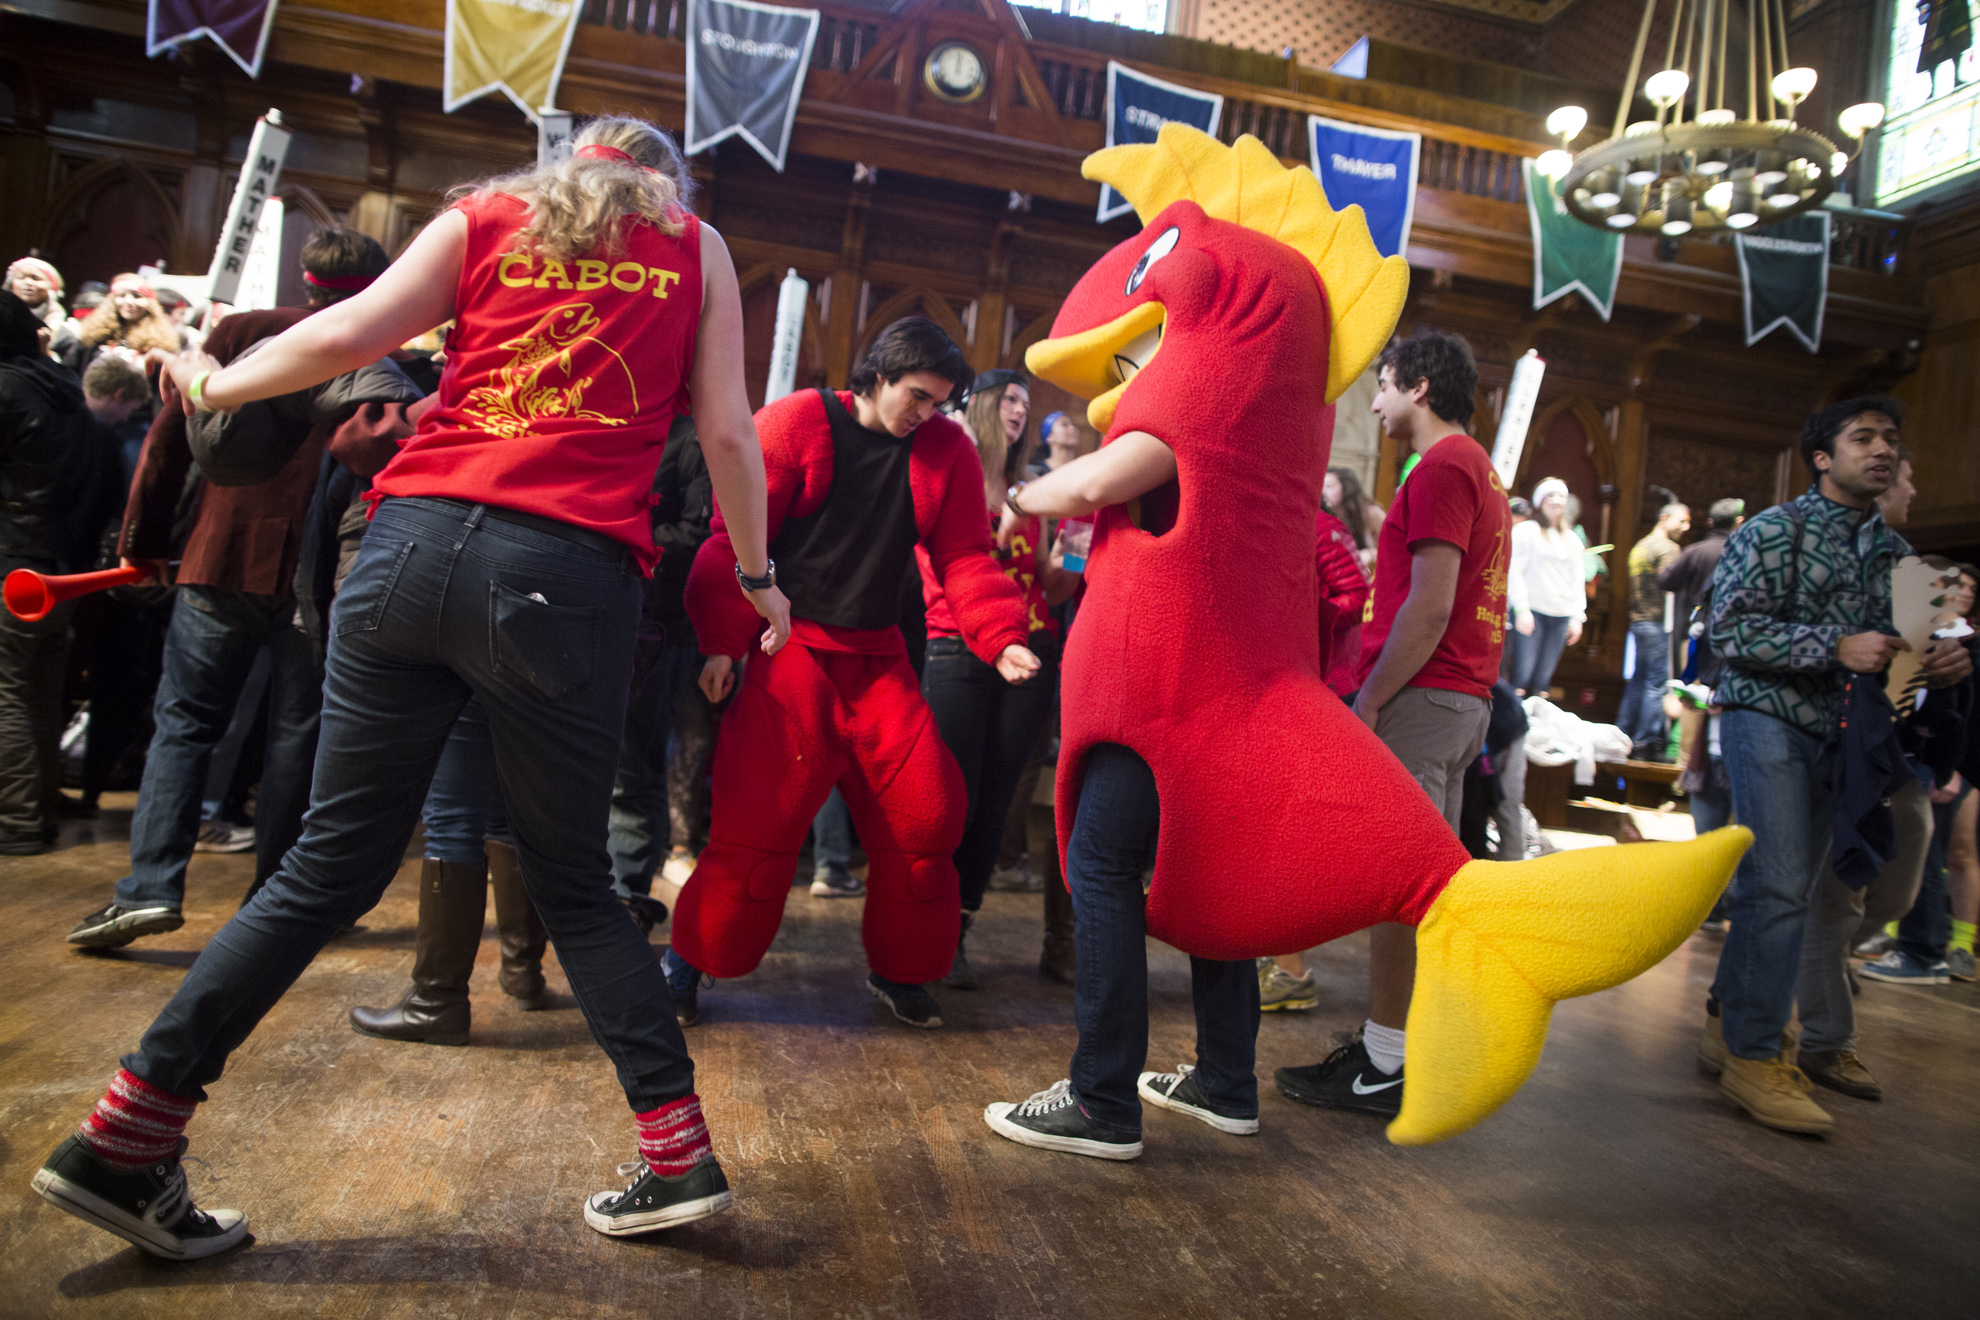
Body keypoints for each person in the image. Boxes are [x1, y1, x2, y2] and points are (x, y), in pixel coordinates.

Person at [32, 116, 788, 1256]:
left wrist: (214, 385)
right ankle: (677, 1158)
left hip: (406, 549)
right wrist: (760, 576)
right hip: (560, 576)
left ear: (567, 164)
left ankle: (125, 1136)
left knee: (321, 869)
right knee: (575, 883)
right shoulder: (694, 244)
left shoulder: (489, 214)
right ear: (660, 182)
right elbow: (729, 435)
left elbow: (342, 333)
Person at [667, 318, 1037, 1030]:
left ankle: (902, 971)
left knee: (928, 816)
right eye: (919, 397)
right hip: (790, 649)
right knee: (755, 826)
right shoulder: (801, 422)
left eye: (939, 402)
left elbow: (963, 556)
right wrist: (721, 644)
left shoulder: (944, 449)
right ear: (878, 376)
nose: (928, 413)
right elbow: (737, 535)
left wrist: (999, 637)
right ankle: (687, 962)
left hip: (878, 660)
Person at [65, 229, 406, 948]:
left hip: (222, 555)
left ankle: (150, 888)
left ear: (307, 279)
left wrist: (145, 542)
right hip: (320, 576)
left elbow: (168, 439)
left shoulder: (244, 331)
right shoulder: (381, 356)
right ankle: (273, 902)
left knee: (186, 722)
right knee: (298, 736)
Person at [1695, 396, 1971, 1136]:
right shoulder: (1771, 530)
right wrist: (1833, 645)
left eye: (1891, 438)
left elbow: (1903, 674)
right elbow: (1727, 628)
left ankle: (1726, 1021)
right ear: (1823, 457)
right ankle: (1757, 1056)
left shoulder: (1903, 562)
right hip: (1765, 718)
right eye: (1863, 437)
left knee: (1795, 887)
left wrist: (1938, 665)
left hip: (1844, 739)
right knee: (1779, 885)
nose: (1881, 448)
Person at [1275, 330, 1512, 1118]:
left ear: (1417, 386)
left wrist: (1371, 697)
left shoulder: (1442, 465)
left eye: (1380, 386)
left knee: (1398, 887)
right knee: (1418, 888)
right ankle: (1400, 1053)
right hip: (1457, 698)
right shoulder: (1476, 466)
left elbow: (1434, 603)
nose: (1373, 405)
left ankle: (1384, 1064)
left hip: (1424, 694)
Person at [922, 367, 1077, 989]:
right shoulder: (947, 474)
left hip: (1033, 650)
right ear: (982, 406)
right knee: (948, 794)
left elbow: (1050, 581)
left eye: (1026, 402)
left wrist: (1076, 550)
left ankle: (958, 931)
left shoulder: (1029, 491)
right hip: (957, 644)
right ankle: (923, 929)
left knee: (996, 798)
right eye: (1010, 400)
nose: (1019, 410)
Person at [0, 291, 124, 854]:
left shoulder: (7, 390)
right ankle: (41, 806)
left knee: (8, 692)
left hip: (15, 566)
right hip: (62, 571)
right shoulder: (69, 391)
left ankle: (19, 820)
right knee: (43, 689)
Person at [1259, 507, 1372, 1011]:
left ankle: (1290, 972)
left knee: (1285, 837)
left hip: (1320, 686)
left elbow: (1357, 596)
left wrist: (1293, 613)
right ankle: (1278, 962)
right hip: (1292, 684)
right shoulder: (1289, 519)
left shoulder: (1319, 525)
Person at [1618, 501, 1690, 759]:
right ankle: (1646, 739)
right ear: (1664, 517)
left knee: (1638, 680)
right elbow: (1671, 585)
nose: (1686, 527)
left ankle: (1623, 732)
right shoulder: (1668, 549)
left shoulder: (1640, 547)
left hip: (1638, 622)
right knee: (1655, 683)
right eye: (1681, 521)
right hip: (1659, 622)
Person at [1507, 476, 1585, 698]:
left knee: (1543, 680)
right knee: (1522, 675)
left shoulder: (1571, 539)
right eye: (1550, 495)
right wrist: (1521, 609)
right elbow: (1514, 570)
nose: (1556, 501)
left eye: (1561, 496)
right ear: (1540, 501)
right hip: (1533, 611)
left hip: (1561, 614)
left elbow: (1577, 580)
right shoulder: (1527, 531)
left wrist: (1577, 618)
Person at [1661, 497, 1745, 684]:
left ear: (1710, 522)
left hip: (1693, 633)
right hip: (1730, 636)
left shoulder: (1694, 551)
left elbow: (1666, 581)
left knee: (1692, 697)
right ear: (1739, 522)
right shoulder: (1745, 554)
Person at [59, 273, 179, 379]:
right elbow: (70, 371)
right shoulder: (93, 334)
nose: (129, 302)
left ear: (150, 303)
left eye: (137, 296)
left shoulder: (162, 343)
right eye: (121, 295)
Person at [1324, 464, 1383, 572]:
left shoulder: (1371, 513)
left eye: (1329, 486)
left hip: (1360, 580)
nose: (1323, 492)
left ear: (1346, 487)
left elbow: (1395, 549)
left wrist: (1369, 554)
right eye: (1322, 486)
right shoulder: (1323, 515)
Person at [6, 256, 69, 351]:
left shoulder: (64, 333)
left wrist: (43, 348)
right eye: (21, 277)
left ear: (51, 287)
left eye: (36, 278)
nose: (28, 283)